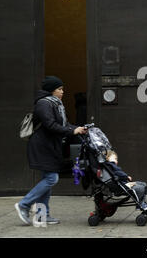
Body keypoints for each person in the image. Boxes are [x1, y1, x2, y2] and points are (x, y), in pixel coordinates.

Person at [15, 76, 88, 225]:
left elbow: (64, 124)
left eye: (62, 89)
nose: (62, 92)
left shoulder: (56, 105)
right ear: (51, 90)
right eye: (59, 89)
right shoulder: (44, 104)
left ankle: (43, 215)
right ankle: (24, 204)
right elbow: (50, 125)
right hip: (42, 146)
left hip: (51, 146)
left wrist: (78, 129)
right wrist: (72, 132)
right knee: (51, 178)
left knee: (47, 179)